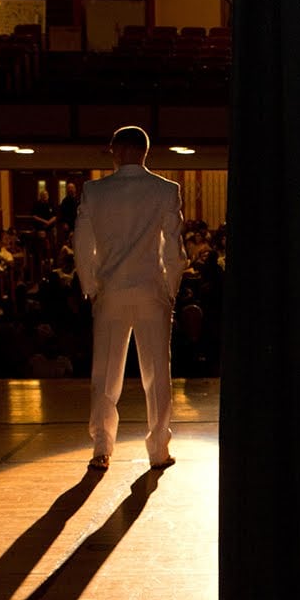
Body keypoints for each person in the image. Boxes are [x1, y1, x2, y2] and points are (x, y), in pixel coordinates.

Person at [73, 125, 182, 470]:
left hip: (111, 290)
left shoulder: (94, 191)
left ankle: (102, 449)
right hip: (152, 289)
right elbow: (174, 248)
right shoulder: (166, 190)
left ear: (117, 151)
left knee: (105, 374)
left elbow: (82, 246)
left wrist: (91, 286)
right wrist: (171, 288)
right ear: (145, 151)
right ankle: (158, 450)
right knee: (157, 373)